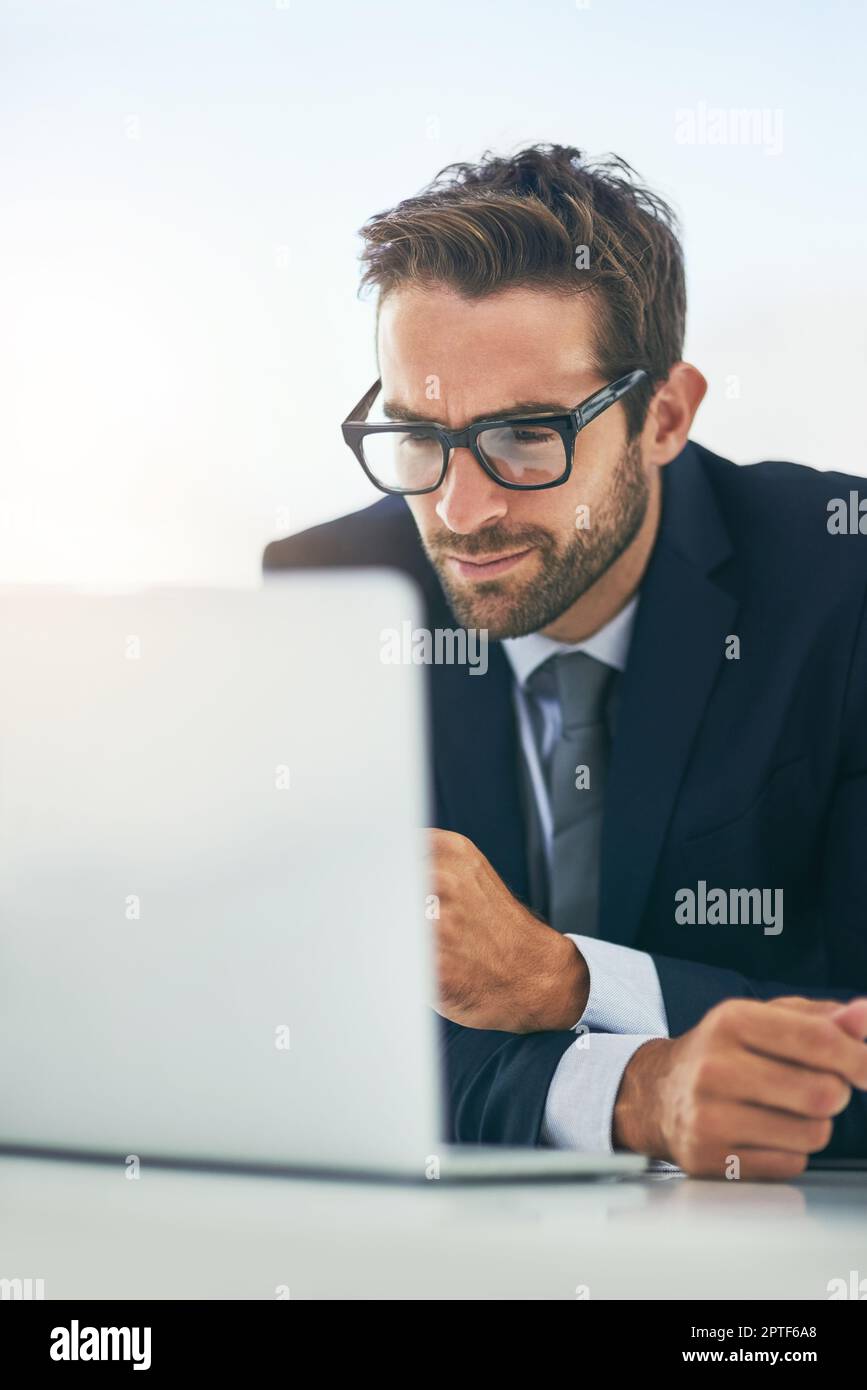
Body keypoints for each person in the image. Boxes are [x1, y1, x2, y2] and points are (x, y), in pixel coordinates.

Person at [264, 144, 867, 1178]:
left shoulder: (838, 578)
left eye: (527, 438)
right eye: (418, 437)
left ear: (665, 416)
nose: (461, 511)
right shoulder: (335, 592)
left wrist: (570, 982)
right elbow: (305, 1034)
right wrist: (632, 1091)